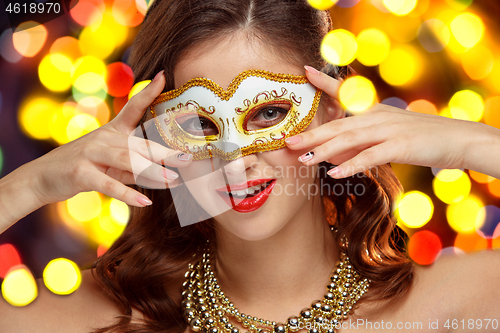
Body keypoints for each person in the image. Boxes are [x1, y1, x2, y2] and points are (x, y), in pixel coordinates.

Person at [1, 0, 500, 332]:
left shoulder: (451, 307)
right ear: (153, 131)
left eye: (268, 113)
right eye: (198, 125)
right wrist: (31, 184)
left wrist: (474, 145)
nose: (235, 162)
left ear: (331, 108)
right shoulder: (99, 316)